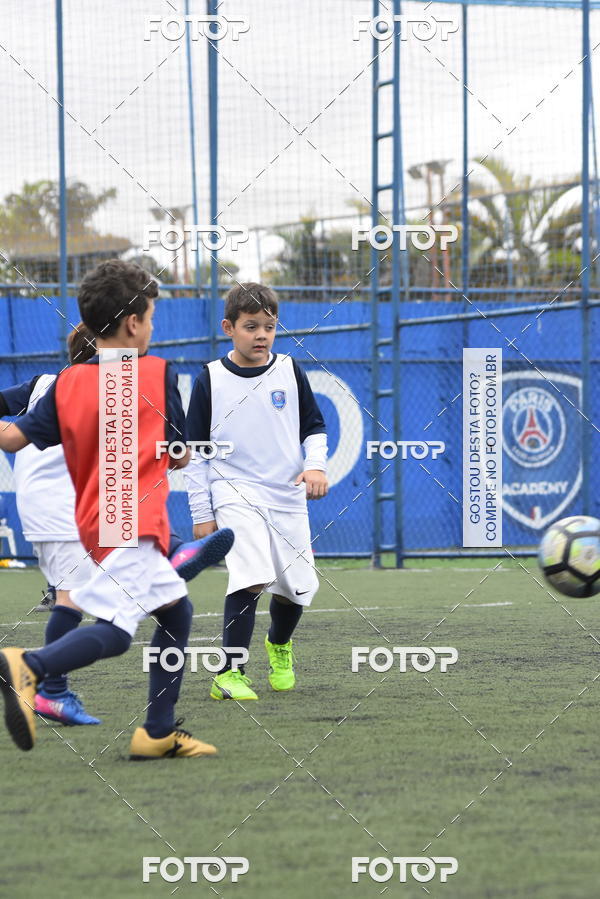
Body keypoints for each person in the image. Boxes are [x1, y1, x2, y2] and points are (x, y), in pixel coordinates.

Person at [0, 259, 221, 758]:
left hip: (96, 522)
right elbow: (180, 452)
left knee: (177, 612)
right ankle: (28, 666)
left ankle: (156, 733)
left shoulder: (65, 384)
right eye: (152, 317)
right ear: (133, 323)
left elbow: (12, 438)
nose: (152, 328)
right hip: (135, 518)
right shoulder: (156, 373)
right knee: (118, 632)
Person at [184, 282, 328, 701]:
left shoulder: (289, 370)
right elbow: (195, 454)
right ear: (229, 327)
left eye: (269, 326)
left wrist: (315, 465)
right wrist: (201, 512)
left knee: (298, 589)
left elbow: (314, 427)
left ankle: (279, 646)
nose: (261, 335)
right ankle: (229, 673)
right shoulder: (209, 378)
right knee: (250, 575)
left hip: (286, 496)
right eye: (251, 327)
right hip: (234, 491)